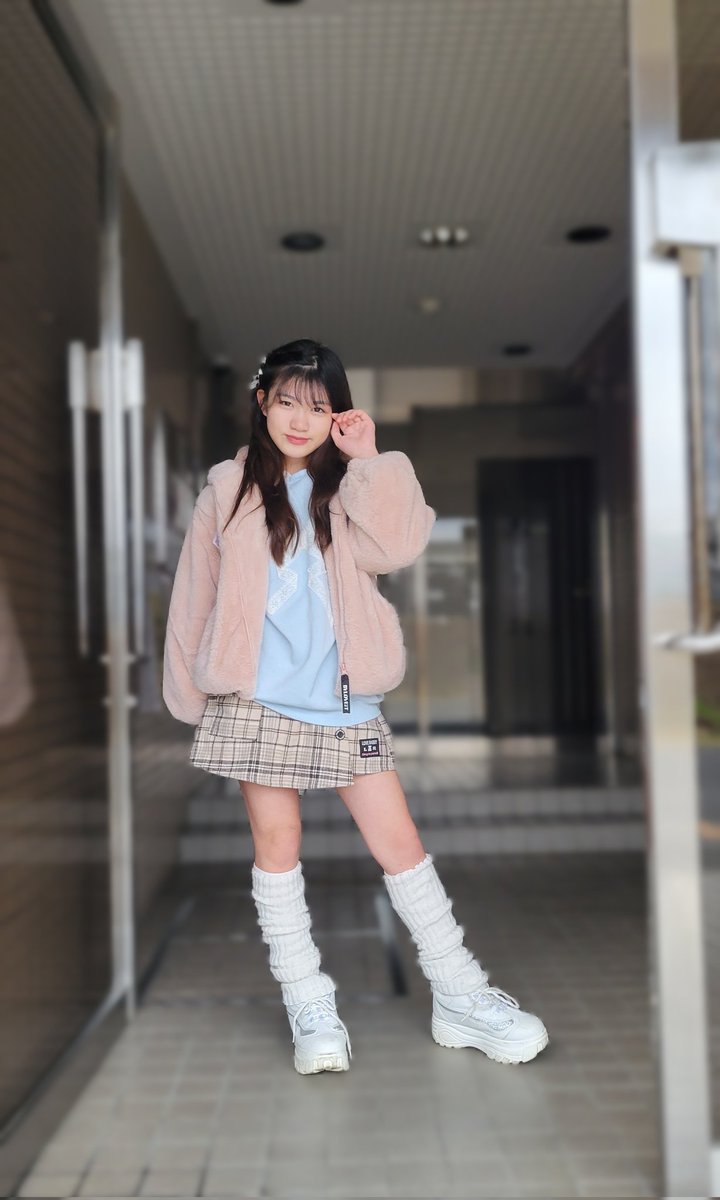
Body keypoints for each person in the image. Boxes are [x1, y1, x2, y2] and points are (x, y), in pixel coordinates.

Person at [163, 338, 549, 1075]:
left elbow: (398, 547)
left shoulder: (349, 485)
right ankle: (309, 1006)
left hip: (344, 700)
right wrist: (188, 687)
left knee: (400, 843)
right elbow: (194, 591)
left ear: (337, 414)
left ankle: (460, 995)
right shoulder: (228, 488)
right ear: (261, 403)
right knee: (277, 846)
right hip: (255, 698)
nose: (298, 420)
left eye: (317, 407)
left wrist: (370, 460)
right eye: (285, 402)